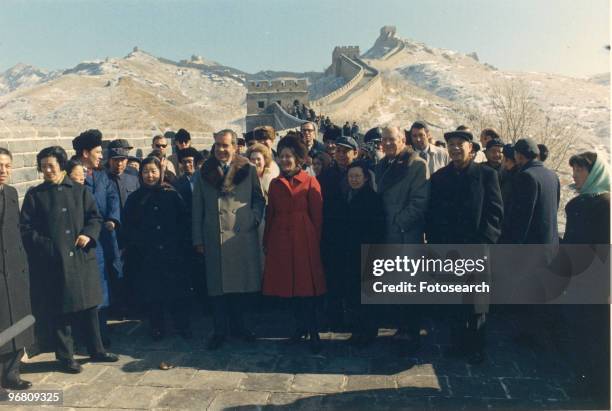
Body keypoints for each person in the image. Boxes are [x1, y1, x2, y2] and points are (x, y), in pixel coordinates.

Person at [21, 146, 118, 374]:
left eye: (51, 165)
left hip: (81, 260)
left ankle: (97, 350)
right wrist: (48, 247)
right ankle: (65, 357)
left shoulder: (79, 191)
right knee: (60, 311)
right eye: (43, 166)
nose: (47, 170)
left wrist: (88, 234)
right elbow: (25, 229)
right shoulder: (35, 195)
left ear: (61, 166)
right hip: (55, 263)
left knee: (90, 308)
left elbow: (94, 217)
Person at [426, 130, 503, 364]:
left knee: (477, 304)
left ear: (471, 147)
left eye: (460, 144)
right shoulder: (440, 177)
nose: (455, 148)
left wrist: (484, 242)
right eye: (451, 144)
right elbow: (433, 214)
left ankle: (477, 347)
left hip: (476, 248)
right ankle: (457, 344)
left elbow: (495, 213)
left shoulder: (486, 174)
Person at [192, 129, 265, 350]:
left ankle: (240, 327)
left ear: (235, 147)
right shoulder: (204, 172)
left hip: (240, 236)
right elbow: (197, 208)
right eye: (217, 146)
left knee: (240, 287)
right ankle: (219, 331)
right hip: (214, 236)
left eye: (225, 146)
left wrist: (252, 219)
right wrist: (198, 238)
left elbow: (258, 200)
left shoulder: (247, 169)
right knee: (217, 289)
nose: (221, 150)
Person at [262, 135, 326, 353]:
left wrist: (314, 244)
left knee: (307, 289)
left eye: (289, 156)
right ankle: (299, 329)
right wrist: (267, 240)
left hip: (303, 241)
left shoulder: (310, 181)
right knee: (290, 288)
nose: (285, 160)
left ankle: (314, 332)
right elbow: (270, 214)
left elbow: (317, 216)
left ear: (298, 159)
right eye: (282, 156)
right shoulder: (275, 184)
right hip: (281, 240)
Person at [122, 157, 192, 340]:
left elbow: (184, 222)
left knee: (177, 292)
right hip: (147, 254)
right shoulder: (135, 198)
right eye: (145, 172)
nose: (150, 176)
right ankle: (157, 327)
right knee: (153, 294)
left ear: (160, 173)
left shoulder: (171, 194)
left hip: (172, 252)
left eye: (153, 171)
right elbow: (128, 226)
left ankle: (182, 325)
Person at [375, 126, 429, 354]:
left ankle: (411, 333)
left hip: (405, 234)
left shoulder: (416, 164)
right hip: (386, 233)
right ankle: (399, 328)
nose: (387, 143)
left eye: (392, 139)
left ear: (402, 140)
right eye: (384, 140)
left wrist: (399, 222)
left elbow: (420, 201)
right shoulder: (381, 165)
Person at [563, 151, 610, 399]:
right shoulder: (587, 200)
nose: (575, 174)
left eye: (580, 170)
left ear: (595, 173)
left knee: (593, 337)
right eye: (574, 169)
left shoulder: (603, 204)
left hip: (593, 283)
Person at [72, 129, 121, 344]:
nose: (102, 156)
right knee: (87, 287)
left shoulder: (102, 176)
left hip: (103, 239)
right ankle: (88, 336)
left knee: (102, 285)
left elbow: (112, 197)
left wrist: (113, 218)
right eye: (98, 152)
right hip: (83, 240)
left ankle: (101, 333)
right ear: (85, 152)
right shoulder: (72, 175)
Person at [0, 148, 34, 390]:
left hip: (14, 269)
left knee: (16, 321)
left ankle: (12, 373)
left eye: (7, 167)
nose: (3, 171)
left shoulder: (11, 193)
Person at [318, 136, 361, 329]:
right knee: (333, 278)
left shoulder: (363, 172)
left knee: (355, 281)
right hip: (333, 235)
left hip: (355, 236)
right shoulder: (326, 176)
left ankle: (355, 320)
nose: (342, 155)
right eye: (339, 151)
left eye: (346, 151)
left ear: (355, 153)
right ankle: (333, 318)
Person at [344, 161, 385, 346]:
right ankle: (357, 330)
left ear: (365, 178)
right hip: (351, 251)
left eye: (357, 176)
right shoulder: (347, 195)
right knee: (354, 294)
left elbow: (378, 227)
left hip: (369, 250)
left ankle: (369, 332)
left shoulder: (372, 198)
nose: (354, 179)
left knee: (368, 295)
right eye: (351, 176)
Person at [502, 138, 560, 245]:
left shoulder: (526, 176)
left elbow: (521, 217)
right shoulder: (552, 175)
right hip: (550, 246)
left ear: (519, 156)